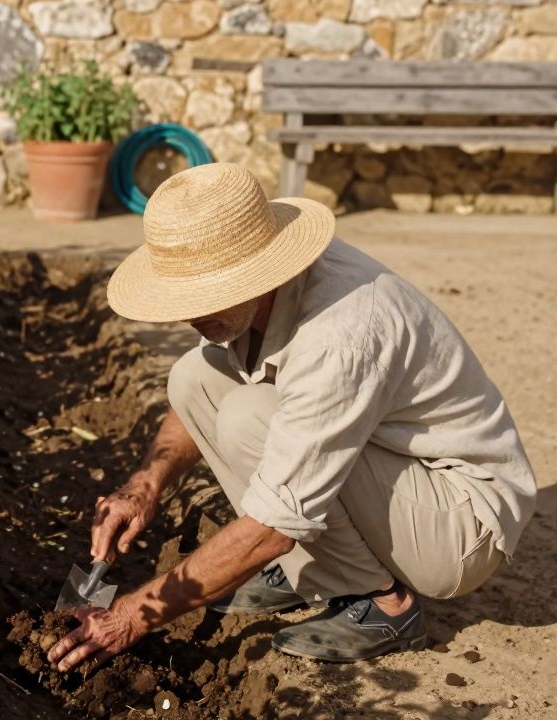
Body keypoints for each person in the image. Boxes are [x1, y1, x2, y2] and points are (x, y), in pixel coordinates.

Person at [48, 163, 535, 669]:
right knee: (193, 378)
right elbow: (195, 398)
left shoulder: (341, 333)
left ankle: (385, 605)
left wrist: (131, 615)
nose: (191, 314)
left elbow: (273, 523)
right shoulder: (260, 297)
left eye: (206, 294)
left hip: (459, 523)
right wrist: (146, 484)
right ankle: (310, 566)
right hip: (395, 468)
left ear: (257, 267)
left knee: (248, 421)